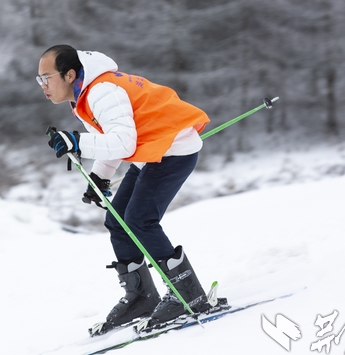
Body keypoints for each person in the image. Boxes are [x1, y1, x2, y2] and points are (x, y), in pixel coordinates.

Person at [38, 44, 221, 335]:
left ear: (70, 74)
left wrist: (76, 141)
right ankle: (141, 298)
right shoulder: (86, 93)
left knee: (140, 220)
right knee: (118, 219)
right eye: (40, 80)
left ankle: (188, 294)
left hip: (174, 150)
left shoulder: (101, 92)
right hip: (152, 152)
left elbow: (123, 142)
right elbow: (112, 139)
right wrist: (100, 176)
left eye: (46, 77)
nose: (43, 86)